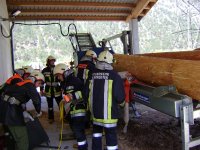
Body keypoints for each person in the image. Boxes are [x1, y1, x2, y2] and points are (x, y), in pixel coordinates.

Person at [84, 50, 125, 150]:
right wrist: (122, 104)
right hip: (110, 116)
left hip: (95, 114)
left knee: (96, 135)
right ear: (111, 62)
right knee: (111, 138)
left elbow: (85, 94)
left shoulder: (91, 75)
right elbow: (119, 97)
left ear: (98, 61)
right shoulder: (115, 76)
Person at [0, 71, 44, 150]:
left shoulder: (21, 84)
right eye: (39, 83)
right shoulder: (30, 85)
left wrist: (23, 111)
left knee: (10, 134)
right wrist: (38, 111)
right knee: (22, 138)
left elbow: (16, 98)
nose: (39, 86)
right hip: (10, 112)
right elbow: (37, 100)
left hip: (4, 108)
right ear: (34, 79)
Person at [54, 63, 88, 150]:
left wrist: (71, 96)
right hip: (72, 111)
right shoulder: (66, 82)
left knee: (77, 131)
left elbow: (84, 93)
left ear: (63, 73)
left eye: (58, 75)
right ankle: (82, 145)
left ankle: (82, 147)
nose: (58, 78)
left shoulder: (74, 81)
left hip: (78, 110)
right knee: (77, 130)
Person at [41, 55, 62, 123]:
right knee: (50, 106)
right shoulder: (44, 70)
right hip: (48, 90)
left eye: (53, 61)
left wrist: (62, 88)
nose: (53, 62)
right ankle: (51, 118)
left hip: (57, 90)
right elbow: (41, 80)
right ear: (48, 62)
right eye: (51, 61)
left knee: (60, 104)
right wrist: (41, 89)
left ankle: (64, 117)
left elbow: (62, 79)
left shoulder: (57, 69)